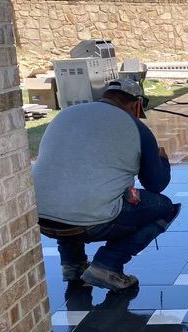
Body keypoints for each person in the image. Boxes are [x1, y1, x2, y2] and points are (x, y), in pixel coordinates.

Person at [32, 78, 180, 292]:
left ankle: (73, 265)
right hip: (89, 222)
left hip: (40, 217)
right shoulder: (135, 126)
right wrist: (162, 160)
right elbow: (156, 185)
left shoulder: (65, 114)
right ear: (136, 104)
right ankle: (108, 265)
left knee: (71, 193)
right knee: (164, 207)